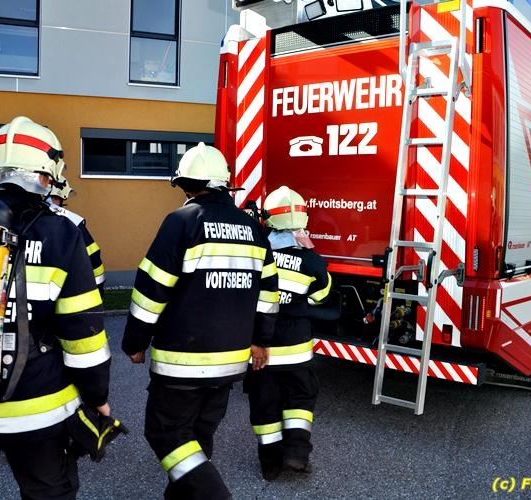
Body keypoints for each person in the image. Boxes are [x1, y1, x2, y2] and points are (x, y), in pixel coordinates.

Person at [0, 116, 112, 499]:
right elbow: (83, 334)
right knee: (48, 492)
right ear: (46, 173)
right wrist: (97, 397)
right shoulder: (62, 232)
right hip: (38, 409)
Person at [121, 143, 279, 499]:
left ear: (185, 184)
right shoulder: (253, 228)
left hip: (181, 362)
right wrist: (261, 340)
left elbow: (151, 291)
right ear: (225, 184)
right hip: (230, 362)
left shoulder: (181, 222)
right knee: (197, 435)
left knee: (166, 433)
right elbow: (269, 293)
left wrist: (135, 343)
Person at [244, 186, 332, 481]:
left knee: (264, 404)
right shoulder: (310, 258)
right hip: (296, 349)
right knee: (300, 399)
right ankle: (296, 454)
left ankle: (269, 465)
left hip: (261, 349)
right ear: (302, 218)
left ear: (268, 219)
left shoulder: (256, 253)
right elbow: (321, 295)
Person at [47, 174, 107, 289]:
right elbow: (93, 257)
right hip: (65, 289)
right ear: (59, 197)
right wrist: (98, 288)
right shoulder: (73, 221)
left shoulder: (19, 218)